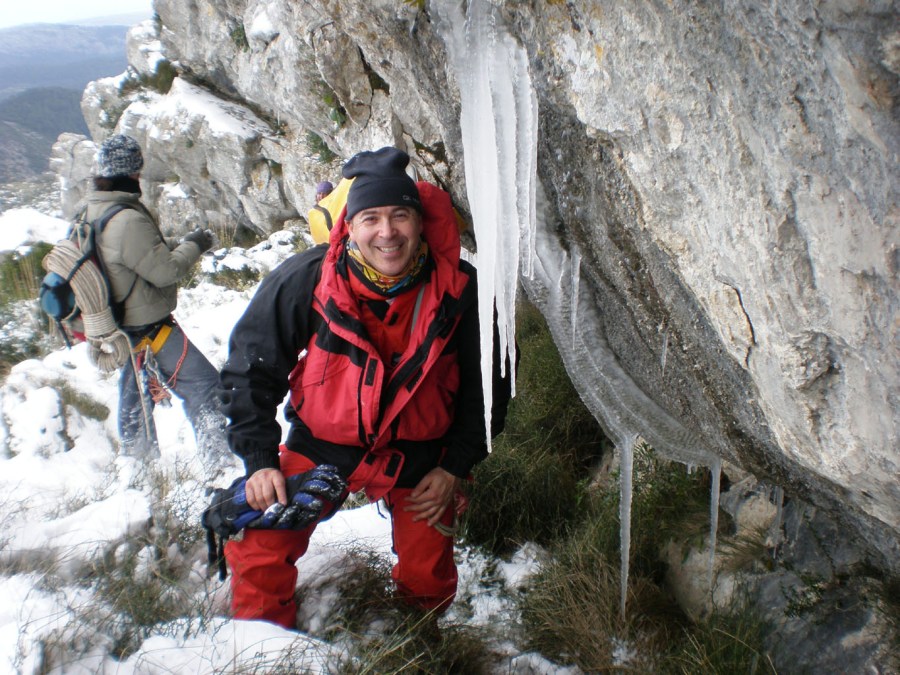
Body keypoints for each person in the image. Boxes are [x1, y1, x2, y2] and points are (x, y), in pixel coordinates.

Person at [219, 146, 510, 629]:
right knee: (262, 542)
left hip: (422, 456)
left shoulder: (463, 290)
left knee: (428, 575)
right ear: (349, 227)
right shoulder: (308, 279)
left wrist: (454, 467)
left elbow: (490, 388)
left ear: (419, 223)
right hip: (323, 444)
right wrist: (260, 460)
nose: (387, 232)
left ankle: (417, 640)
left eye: (400, 215)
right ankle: (264, 645)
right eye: (370, 218)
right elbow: (251, 368)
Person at [86, 133, 227, 461]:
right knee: (205, 387)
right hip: (147, 328)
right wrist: (196, 245)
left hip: (119, 329)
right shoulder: (127, 219)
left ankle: (138, 468)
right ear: (133, 170)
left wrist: (177, 243)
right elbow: (165, 272)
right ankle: (220, 463)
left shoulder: (94, 211)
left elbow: (135, 255)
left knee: (135, 404)